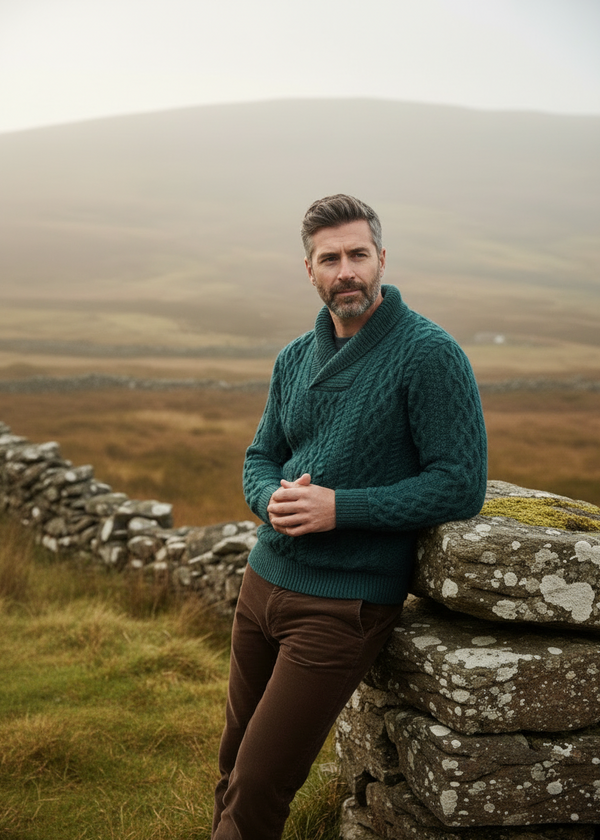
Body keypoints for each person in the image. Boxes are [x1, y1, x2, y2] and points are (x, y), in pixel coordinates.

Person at [211, 194, 487, 839]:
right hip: (261, 585)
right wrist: (268, 498)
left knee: (259, 784)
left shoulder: (429, 354)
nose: (347, 271)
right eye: (329, 258)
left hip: (342, 606)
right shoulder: (293, 357)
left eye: (358, 254)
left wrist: (342, 508)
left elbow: (461, 484)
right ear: (309, 270)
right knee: (231, 766)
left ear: (382, 259)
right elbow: (260, 457)